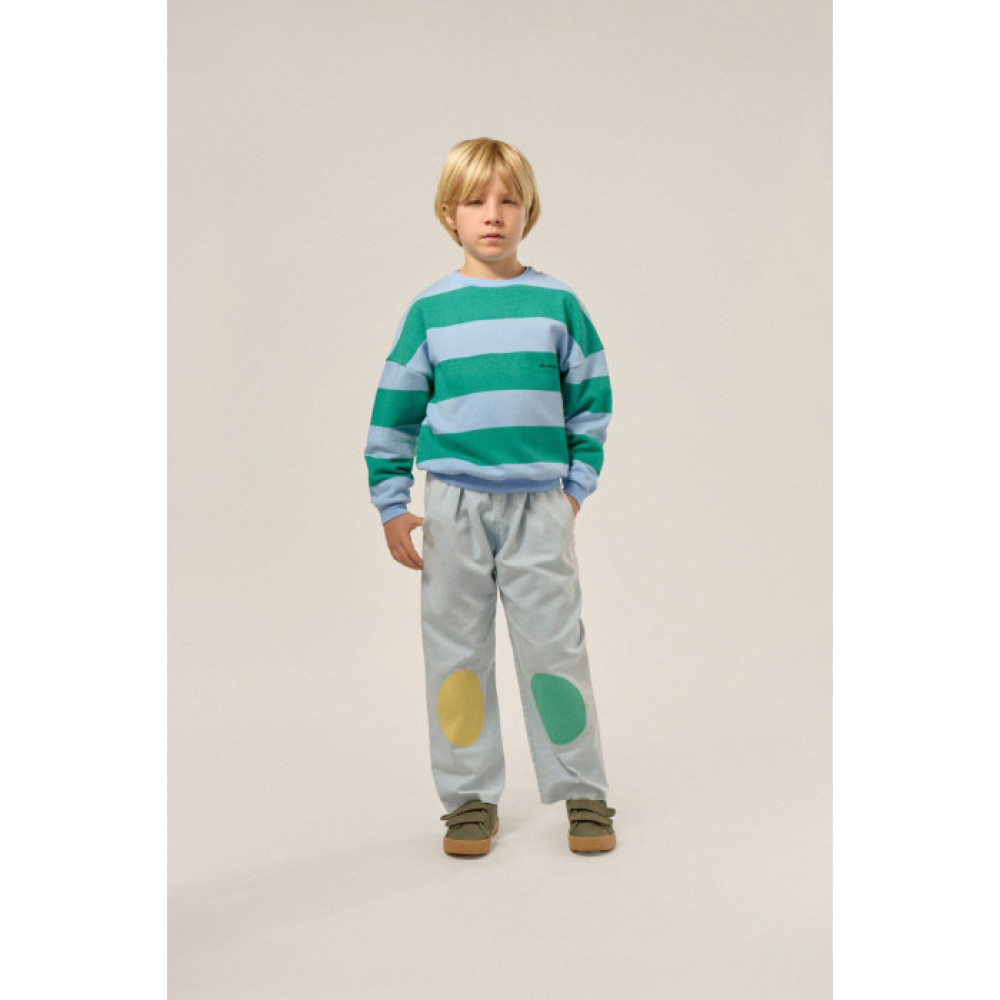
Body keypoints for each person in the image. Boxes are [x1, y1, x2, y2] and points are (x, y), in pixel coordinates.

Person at [363, 137, 617, 857]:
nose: (493, 214)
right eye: (475, 201)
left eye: (509, 200)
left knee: (555, 650)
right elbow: (394, 413)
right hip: (451, 509)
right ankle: (469, 799)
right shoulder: (430, 312)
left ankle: (584, 791)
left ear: (529, 210)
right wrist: (392, 504)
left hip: (540, 507)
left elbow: (591, 403)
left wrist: (573, 491)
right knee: (455, 656)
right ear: (449, 214)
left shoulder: (558, 304)